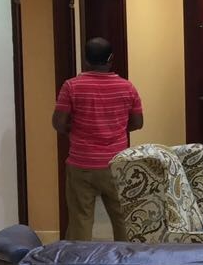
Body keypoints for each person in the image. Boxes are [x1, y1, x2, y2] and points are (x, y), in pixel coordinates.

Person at [52, 37, 143, 240]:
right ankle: (126, 257)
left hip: (81, 164)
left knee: (80, 220)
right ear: (111, 58)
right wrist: (117, 128)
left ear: (85, 59)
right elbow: (138, 123)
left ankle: (80, 258)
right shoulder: (127, 87)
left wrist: (76, 130)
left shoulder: (71, 86)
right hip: (117, 165)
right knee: (122, 219)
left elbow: (58, 123)